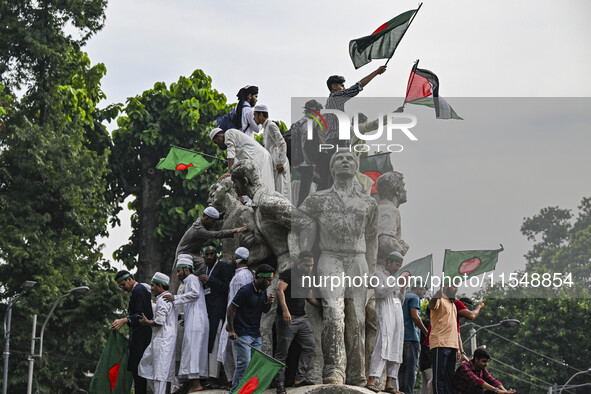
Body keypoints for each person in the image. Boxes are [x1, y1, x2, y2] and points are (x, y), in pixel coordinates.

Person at [296, 149, 378, 386]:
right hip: (330, 257)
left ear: (356, 167)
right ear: (331, 168)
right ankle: (334, 369)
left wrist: (371, 271)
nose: (344, 161)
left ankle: (356, 372)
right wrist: (299, 257)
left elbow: (372, 238)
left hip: (358, 259)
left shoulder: (368, 203)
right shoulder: (318, 199)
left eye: (349, 159)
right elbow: (298, 223)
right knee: (333, 312)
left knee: (357, 318)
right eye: (339, 159)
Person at [316, 65, 387, 190]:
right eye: (341, 85)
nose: (344, 88)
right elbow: (357, 87)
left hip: (333, 141)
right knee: (341, 176)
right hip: (339, 141)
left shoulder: (329, 103)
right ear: (334, 87)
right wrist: (376, 72)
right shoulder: (336, 98)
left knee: (333, 176)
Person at [274, 251, 321, 393]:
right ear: (299, 263)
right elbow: (279, 290)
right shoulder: (288, 274)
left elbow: (309, 297)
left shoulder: (307, 277)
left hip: (302, 317)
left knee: (310, 346)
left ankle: (300, 377)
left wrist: (323, 306)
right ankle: (280, 383)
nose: (309, 268)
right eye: (306, 265)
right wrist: (285, 311)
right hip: (288, 318)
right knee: (282, 352)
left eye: (311, 266)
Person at [225, 264, 275, 394]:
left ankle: (247, 391)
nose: (270, 283)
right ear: (260, 278)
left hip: (255, 334)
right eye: (268, 280)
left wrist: (268, 303)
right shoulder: (245, 291)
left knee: (254, 365)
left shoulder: (263, 291)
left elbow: (264, 310)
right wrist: (231, 329)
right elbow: (231, 309)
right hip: (242, 332)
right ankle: (234, 391)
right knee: (244, 363)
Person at [164, 255, 209, 393]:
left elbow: (194, 295)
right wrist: (181, 315)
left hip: (197, 322)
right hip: (195, 319)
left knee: (193, 350)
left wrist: (175, 298)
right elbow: (195, 304)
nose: (178, 274)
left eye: (179, 271)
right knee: (192, 350)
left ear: (186, 268)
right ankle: (194, 382)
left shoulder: (192, 279)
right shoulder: (190, 280)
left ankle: (196, 384)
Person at [366, 252, 406, 394]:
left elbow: (400, 301)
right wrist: (397, 283)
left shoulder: (395, 279)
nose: (397, 267)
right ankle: (371, 380)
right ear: (388, 262)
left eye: (399, 265)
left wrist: (403, 287)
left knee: (396, 347)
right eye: (396, 264)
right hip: (385, 314)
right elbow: (381, 292)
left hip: (397, 316)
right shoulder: (379, 276)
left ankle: (389, 384)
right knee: (382, 345)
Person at [111, 270, 153, 394]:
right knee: (136, 370)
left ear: (130, 279)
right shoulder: (136, 291)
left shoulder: (139, 291)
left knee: (139, 370)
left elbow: (141, 316)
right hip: (137, 335)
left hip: (143, 337)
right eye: (120, 287)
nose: (123, 288)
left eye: (123, 285)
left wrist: (124, 320)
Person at [217, 247, 254, 384]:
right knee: (228, 351)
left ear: (236, 259)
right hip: (239, 319)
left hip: (236, 320)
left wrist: (232, 321)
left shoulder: (240, 277)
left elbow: (239, 302)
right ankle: (234, 381)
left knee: (235, 352)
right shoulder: (249, 274)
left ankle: (237, 382)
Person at [199, 242, 233, 384]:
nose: (209, 256)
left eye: (211, 254)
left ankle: (215, 376)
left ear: (216, 254)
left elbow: (228, 287)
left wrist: (211, 280)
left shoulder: (223, 267)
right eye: (206, 254)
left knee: (217, 342)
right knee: (209, 342)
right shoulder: (204, 268)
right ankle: (208, 375)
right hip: (207, 311)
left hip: (219, 311)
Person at [137, 272, 177, 394]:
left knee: (160, 373)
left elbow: (159, 322)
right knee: (147, 366)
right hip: (165, 339)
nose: (152, 288)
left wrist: (146, 322)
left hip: (162, 339)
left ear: (159, 286)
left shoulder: (163, 300)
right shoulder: (168, 298)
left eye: (153, 285)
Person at [175, 206, 248, 272]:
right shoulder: (199, 230)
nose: (214, 224)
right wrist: (236, 230)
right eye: (213, 222)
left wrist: (224, 214)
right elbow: (217, 234)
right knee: (203, 263)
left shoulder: (202, 219)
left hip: (195, 252)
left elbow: (214, 217)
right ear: (206, 218)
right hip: (185, 253)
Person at [210, 127, 275, 190]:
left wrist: (229, 172)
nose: (217, 145)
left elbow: (230, 154)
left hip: (259, 157)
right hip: (258, 158)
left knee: (263, 186)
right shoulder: (232, 134)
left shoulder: (228, 134)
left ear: (218, 136)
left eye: (216, 142)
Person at [253, 103, 291, 201]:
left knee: (281, 194)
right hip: (274, 163)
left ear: (260, 115)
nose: (253, 118)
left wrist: (280, 162)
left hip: (279, 163)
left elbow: (282, 143)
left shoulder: (271, 125)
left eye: (255, 115)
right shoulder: (266, 127)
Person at [289, 99, 324, 206]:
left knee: (318, 182)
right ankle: (300, 211)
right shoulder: (310, 124)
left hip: (298, 162)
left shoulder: (299, 123)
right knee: (305, 191)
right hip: (306, 162)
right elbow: (309, 145)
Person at [428, 284, 461, 394]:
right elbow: (431, 306)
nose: (456, 289)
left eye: (457, 287)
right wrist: (435, 296)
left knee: (450, 379)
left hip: (452, 346)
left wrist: (458, 349)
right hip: (440, 343)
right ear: (446, 286)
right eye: (454, 286)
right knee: (439, 378)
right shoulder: (439, 299)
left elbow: (454, 328)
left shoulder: (453, 304)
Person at [399, 287, 429, 394]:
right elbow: (415, 317)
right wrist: (426, 332)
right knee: (411, 369)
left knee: (402, 368)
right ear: (419, 289)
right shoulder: (415, 298)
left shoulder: (403, 296)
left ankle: (401, 391)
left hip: (400, 338)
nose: (425, 294)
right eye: (425, 290)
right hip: (411, 338)